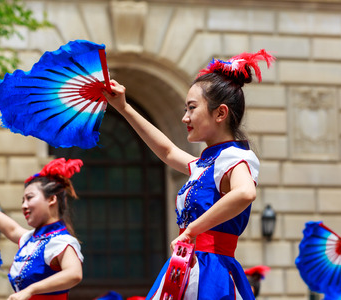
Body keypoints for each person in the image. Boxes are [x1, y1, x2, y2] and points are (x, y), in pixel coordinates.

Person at [103, 50, 274, 299]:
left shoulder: (235, 158)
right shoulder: (207, 163)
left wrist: (191, 230)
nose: (185, 117)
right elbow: (168, 151)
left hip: (210, 273)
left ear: (220, 113)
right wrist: (124, 107)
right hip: (188, 267)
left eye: (192, 108)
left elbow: (246, 192)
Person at [0, 158, 84, 300]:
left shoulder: (61, 241)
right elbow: (12, 229)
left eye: (29, 198)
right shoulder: (34, 239)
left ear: (51, 199)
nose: (24, 206)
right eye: (23, 201)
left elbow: (74, 274)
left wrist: (30, 290)